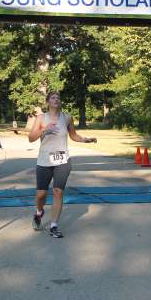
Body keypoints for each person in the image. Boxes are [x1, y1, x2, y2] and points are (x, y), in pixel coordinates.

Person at [28, 91, 97, 238]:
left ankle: (54, 225)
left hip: (62, 161)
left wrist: (86, 140)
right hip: (44, 161)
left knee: (58, 192)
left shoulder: (67, 118)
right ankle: (39, 212)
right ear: (48, 101)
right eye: (53, 97)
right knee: (41, 194)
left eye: (58, 97)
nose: (56, 99)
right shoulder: (41, 118)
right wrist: (44, 129)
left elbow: (73, 135)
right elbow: (31, 138)